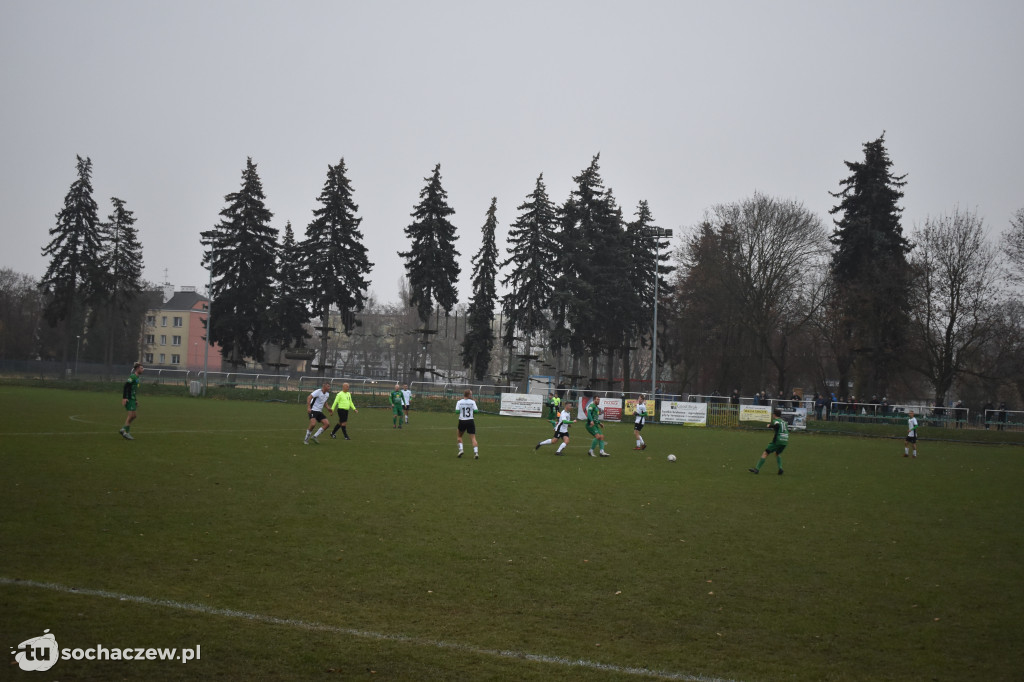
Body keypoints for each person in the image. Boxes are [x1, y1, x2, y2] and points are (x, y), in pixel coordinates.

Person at [749, 407, 787, 475]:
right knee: (777, 453)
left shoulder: (776, 420)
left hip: (778, 440)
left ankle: (756, 469)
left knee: (765, 453)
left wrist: (770, 426)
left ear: (775, 415)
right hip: (785, 441)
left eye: (773, 414)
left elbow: (777, 426)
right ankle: (780, 468)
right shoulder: (784, 422)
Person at [119, 362, 145, 440]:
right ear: (137, 369)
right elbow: (126, 386)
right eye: (141, 368)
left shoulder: (137, 378)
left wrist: (136, 399)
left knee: (134, 416)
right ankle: (126, 432)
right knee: (131, 415)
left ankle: (123, 429)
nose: (143, 370)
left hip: (133, 398)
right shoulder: (133, 376)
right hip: (129, 398)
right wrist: (124, 398)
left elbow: (133, 390)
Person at [455, 389, 480, 459]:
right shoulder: (472, 402)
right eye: (471, 394)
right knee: (473, 438)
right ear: (469, 395)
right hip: (470, 421)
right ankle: (476, 453)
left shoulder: (459, 402)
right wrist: (472, 410)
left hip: (462, 421)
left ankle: (461, 450)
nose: (471, 395)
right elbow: (476, 411)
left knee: (459, 436)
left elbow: (457, 412)